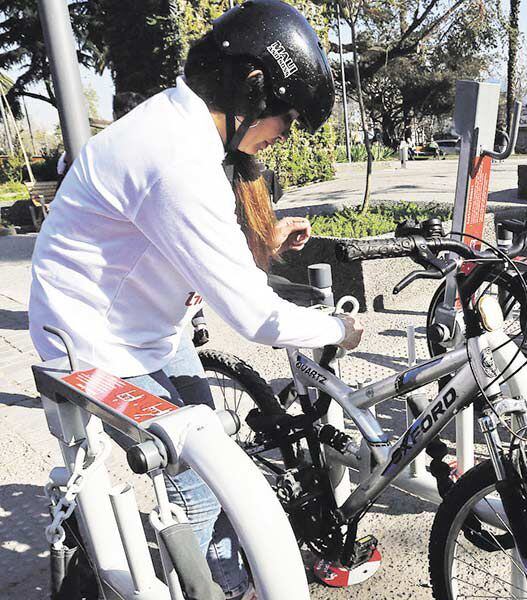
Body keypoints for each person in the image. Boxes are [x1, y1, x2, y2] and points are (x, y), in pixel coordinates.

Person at [28, 2, 363, 598]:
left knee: (215, 454)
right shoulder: (177, 159)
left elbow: (184, 240)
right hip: (91, 341)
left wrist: (262, 242)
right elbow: (257, 317)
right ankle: (217, 587)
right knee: (203, 485)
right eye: (283, 122)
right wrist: (338, 330)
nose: (280, 137)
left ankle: (226, 580)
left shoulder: (181, 131)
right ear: (252, 89)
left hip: (148, 328)